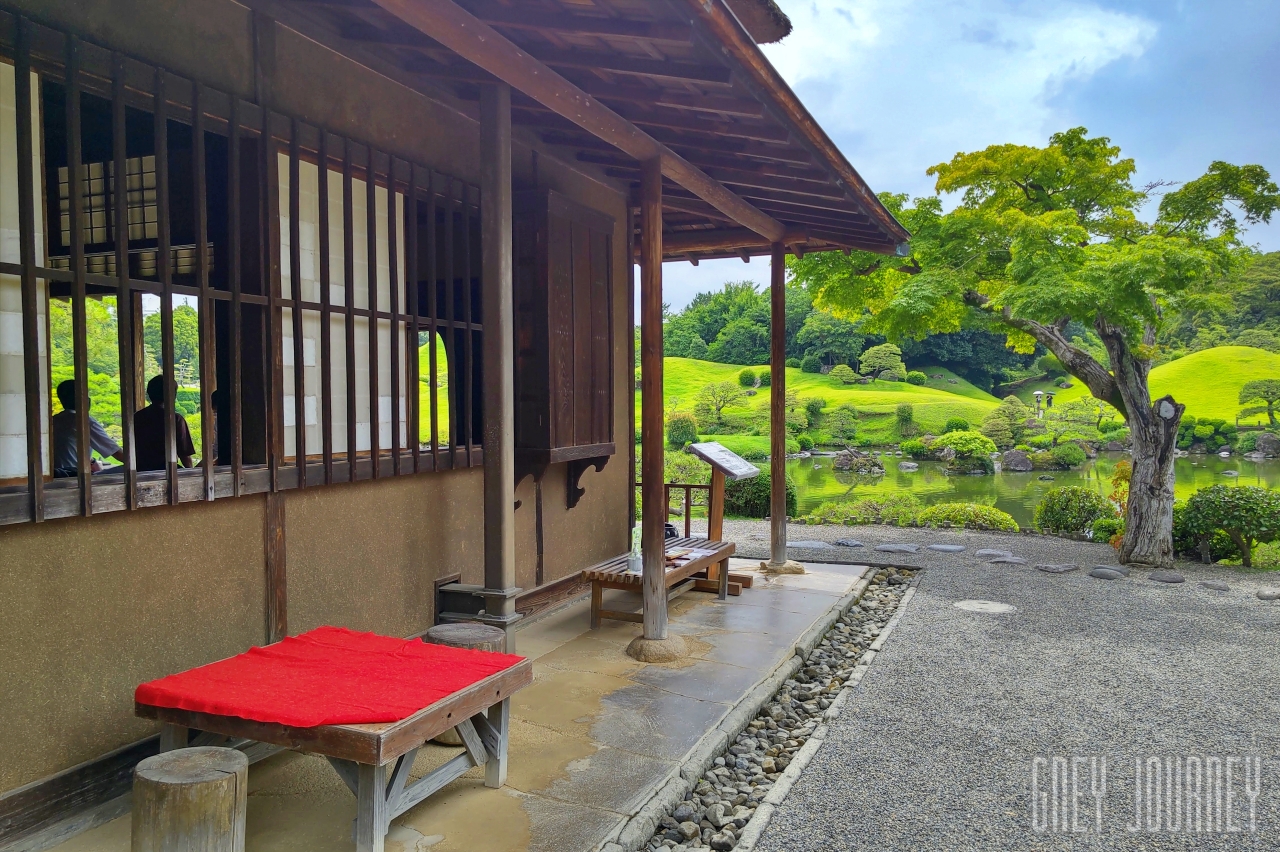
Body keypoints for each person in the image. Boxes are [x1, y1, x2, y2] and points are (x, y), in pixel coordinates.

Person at [50, 379, 125, 477]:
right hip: (72, 477)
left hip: (53, 475)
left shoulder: (53, 420)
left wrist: (92, 461)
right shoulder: (84, 421)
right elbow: (118, 453)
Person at [134, 375, 196, 471]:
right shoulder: (175, 419)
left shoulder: (137, 417)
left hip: (139, 471)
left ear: (149, 394)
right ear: (172, 395)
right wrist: (190, 472)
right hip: (167, 472)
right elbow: (184, 453)